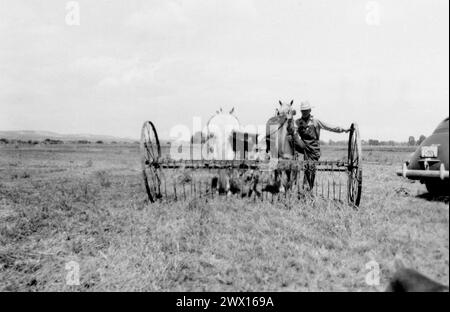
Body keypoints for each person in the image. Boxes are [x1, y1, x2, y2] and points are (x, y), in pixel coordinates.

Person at [287, 101, 351, 189]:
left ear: (310, 110)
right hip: (302, 146)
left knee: (310, 170)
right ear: (301, 111)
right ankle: (290, 164)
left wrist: (343, 129)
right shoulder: (298, 122)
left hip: (313, 148)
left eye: (306, 110)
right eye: (303, 111)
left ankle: (308, 188)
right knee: (289, 138)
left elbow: (329, 127)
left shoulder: (315, 121)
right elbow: (290, 130)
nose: (304, 112)